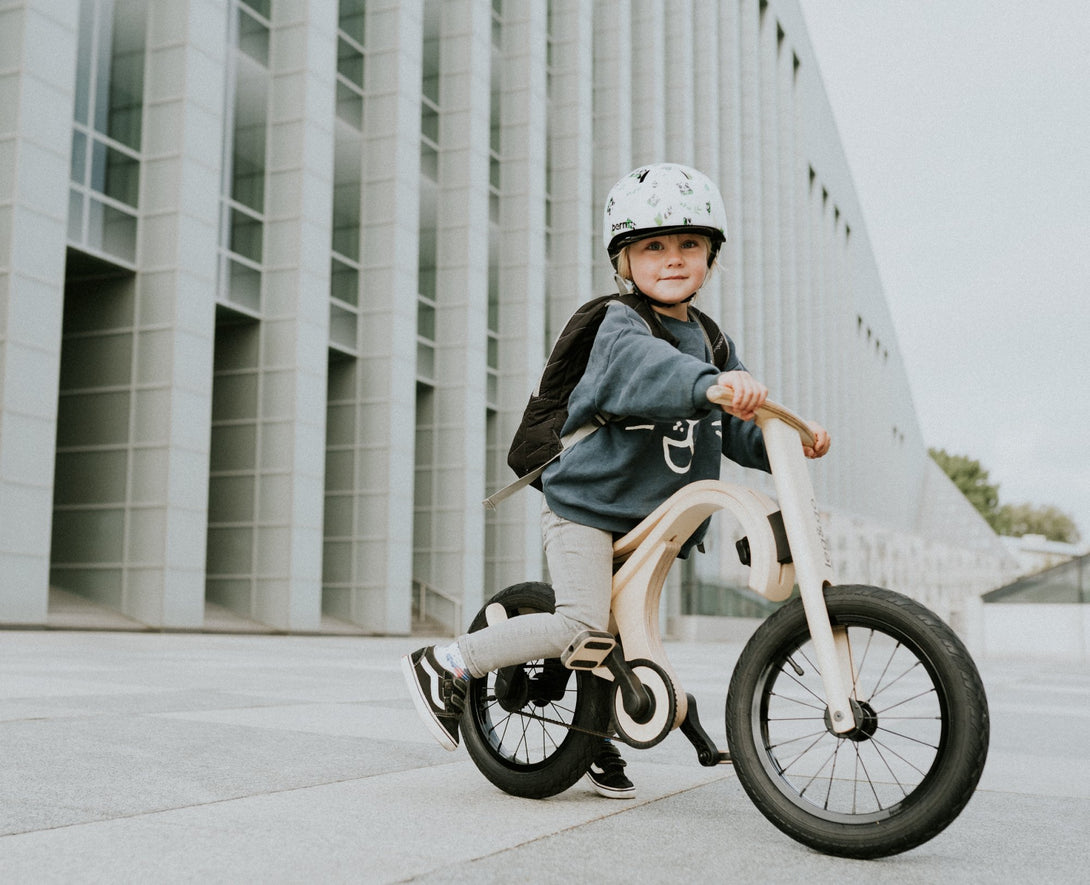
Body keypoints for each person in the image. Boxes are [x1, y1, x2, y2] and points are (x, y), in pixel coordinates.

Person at [402, 162, 831, 800]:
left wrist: (783, 436)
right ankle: (448, 663)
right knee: (581, 622)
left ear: (711, 257)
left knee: (623, 632)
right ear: (624, 262)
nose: (673, 259)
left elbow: (733, 430)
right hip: (587, 504)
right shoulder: (620, 325)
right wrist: (705, 386)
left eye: (690, 244)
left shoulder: (711, 341)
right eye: (652, 246)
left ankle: (592, 734)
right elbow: (644, 371)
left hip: (649, 513)